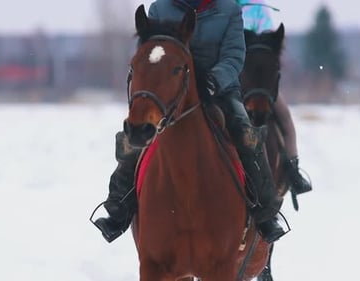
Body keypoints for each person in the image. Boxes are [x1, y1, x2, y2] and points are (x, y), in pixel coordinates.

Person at [93, 0, 287, 244]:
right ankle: (118, 208)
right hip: (170, 92)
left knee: (246, 133)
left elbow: (234, 56)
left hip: (219, 90)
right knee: (135, 136)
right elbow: (151, 54)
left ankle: (265, 212)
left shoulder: (228, 10)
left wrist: (213, 80)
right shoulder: (159, 9)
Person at [239, 0, 312, 195]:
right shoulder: (219, 6)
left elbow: (268, 41)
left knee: (285, 117)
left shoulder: (258, 9)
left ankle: (292, 169)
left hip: (259, 80)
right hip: (233, 76)